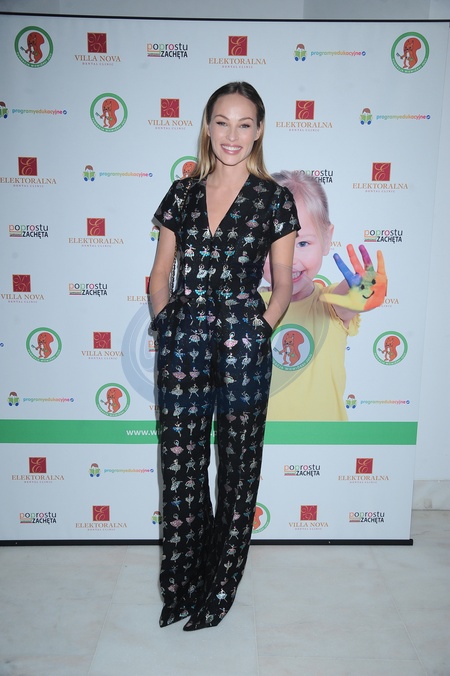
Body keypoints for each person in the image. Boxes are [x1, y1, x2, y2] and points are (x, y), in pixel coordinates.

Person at [149, 82, 299, 630]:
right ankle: (180, 586)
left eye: (244, 123)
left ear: (258, 131)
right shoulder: (183, 193)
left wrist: (260, 329)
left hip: (244, 344)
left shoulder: (273, 199)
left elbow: (282, 283)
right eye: (221, 121)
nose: (231, 134)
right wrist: (165, 323)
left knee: (239, 467)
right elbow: (160, 273)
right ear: (207, 127)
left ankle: (218, 587)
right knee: (181, 466)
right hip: (182, 341)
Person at [260, 170, 387, 421]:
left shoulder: (331, 303)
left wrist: (363, 289)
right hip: (260, 440)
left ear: (327, 239)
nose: (288, 260)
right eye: (272, 245)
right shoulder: (242, 307)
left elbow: (350, 296)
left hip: (327, 440)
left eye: (302, 243)